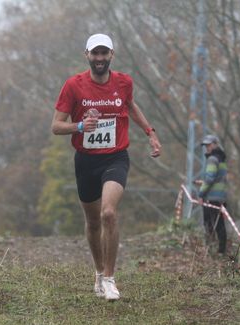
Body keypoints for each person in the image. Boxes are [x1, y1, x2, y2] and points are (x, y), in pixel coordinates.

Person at [51, 33, 161, 301]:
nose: (99, 58)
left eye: (104, 53)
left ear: (112, 55)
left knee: (108, 213)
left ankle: (110, 279)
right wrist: (79, 126)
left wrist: (150, 132)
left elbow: (131, 106)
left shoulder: (124, 83)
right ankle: (99, 272)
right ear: (86, 55)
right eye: (95, 53)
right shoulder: (73, 85)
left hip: (115, 157)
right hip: (86, 160)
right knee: (92, 222)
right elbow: (56, 126)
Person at [197, 134, 228, 256]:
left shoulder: (212, 159)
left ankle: (209, 250)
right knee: (220, 224)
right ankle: (221, 250)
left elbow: (210, 179)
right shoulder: (222, 159)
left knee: (209, 224)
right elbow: (218, 178)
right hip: (221, 197)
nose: (207, 148)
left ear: (215, 144)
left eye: (209, 145)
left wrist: (201, 194)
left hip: (211, 198)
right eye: (205, 145)